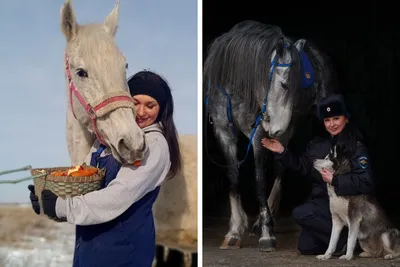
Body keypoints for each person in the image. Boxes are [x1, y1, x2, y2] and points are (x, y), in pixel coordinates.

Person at [28, 70, 182, 267]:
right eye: (135, 103)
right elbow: (84, 183)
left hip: (123, 250)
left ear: (161, 109)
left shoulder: (154, 145)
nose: (142, 112)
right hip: (90, 244)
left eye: (150, 105)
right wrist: (49, 196)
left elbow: (120, 193)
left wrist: (63, 207)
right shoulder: (105, 141)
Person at [261, 94, 374, 255]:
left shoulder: (355, 145)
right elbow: (303, 166)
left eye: (336, 118)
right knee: (306, 247)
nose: (332, 124)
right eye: (327, 120)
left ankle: (349, 242)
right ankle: (342, 242)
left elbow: (366, 181)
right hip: (323, 203)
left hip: (348, 204)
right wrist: (282, 152)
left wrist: (336, 180)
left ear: (346, 118)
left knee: (301, 212)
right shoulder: (318, 146)